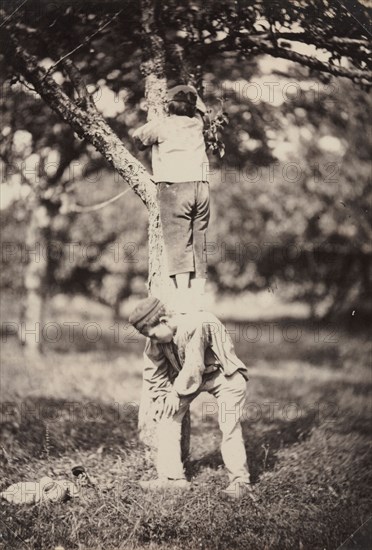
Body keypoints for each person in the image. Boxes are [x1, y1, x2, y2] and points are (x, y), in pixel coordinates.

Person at [129, 296, 254, 500]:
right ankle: (172, 479)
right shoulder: (156, 338)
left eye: (153, 335)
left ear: (164, 322)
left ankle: (241, 482)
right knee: (167, 414)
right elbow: (154, 371)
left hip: (224, 375)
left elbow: (194, 366)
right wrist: (162, 397)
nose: (152, 341)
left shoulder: (196, 324)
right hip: (189, 380)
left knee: (229, 425)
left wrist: (175, 392)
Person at [132, 85, 210, 312]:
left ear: (169, 106)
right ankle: (199, 295)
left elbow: (138, 140)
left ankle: (184, 299)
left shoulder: (162, 124)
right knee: (199, 239)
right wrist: (194, 89)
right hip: (201, 186)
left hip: (176, 186)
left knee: (178, 242)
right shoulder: (197, 124)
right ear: (192, 108)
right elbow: (203, 112)